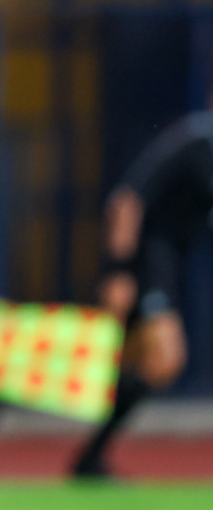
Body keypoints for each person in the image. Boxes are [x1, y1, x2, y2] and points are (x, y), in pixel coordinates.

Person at [71, 110, 213, 478]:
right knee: (165, 360)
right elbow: (126, 202)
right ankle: (89, 455)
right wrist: (117, 270)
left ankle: (90, 457)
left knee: (127, 362)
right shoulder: (193, 142)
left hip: (167, 267)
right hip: (147, 263)